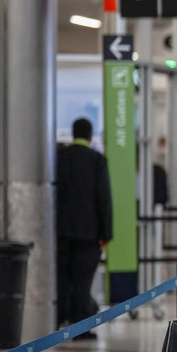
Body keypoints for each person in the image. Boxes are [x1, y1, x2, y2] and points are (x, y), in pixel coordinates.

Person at [56, 118, 112, 336]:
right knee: (82, 281)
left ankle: (58, 319)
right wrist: (106, 233)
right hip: (89, 232)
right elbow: (103, 198)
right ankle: (80, 327)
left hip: (61, 231)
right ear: (90, 135)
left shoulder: (59, 158)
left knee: (61, 278)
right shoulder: (97, 160)